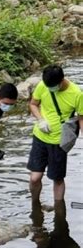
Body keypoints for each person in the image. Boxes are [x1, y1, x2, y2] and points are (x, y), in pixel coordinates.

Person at [27, 65, 83, 203]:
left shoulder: (77, 94)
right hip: (40, 136)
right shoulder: (43, 85)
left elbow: (81, 118)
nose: (49, 88)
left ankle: (59, 209)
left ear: (62, 80)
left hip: (60, 142)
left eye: (52, 86)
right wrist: (40, 120)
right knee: (35, 177)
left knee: (57, 179)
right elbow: (33, 104)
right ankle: (35, 204)